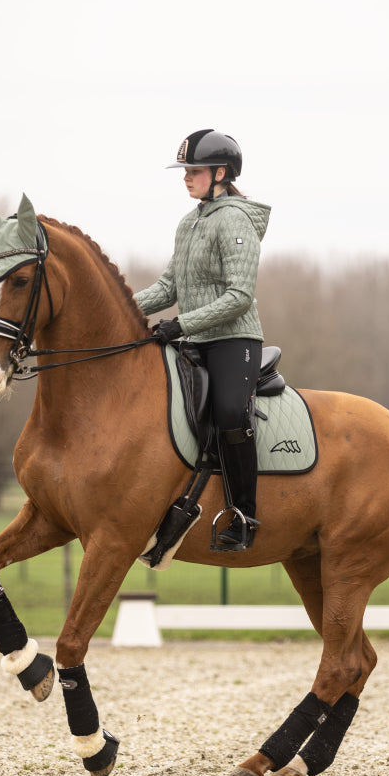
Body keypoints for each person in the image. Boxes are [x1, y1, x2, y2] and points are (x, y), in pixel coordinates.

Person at [134, 129, 271, 550]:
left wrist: (181, 325)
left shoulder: (236, 219)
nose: (186, 177)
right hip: (193, 339)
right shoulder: (190, 222)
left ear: (221, 173)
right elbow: (168, 287)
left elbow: (239, 296)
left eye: (193, 170)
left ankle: (245, 516)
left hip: (234, 340)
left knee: (230, 412)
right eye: (185, 171)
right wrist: (119, 310)